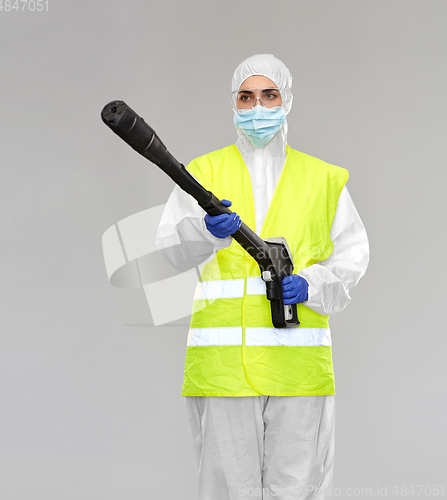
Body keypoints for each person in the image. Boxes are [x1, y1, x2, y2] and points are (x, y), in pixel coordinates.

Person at [156, 54, 369, 500]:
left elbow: (353, 254)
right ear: (233, 104)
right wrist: (203, 233)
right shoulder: (202, 173)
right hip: (224, 369)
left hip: (297, 366)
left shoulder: (323, 179)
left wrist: (314, 284)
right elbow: (168, 255)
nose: (257, 108)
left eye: (269, 95)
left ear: (286, 100)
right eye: (246, 97)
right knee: (227, 491)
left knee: (297, 490)